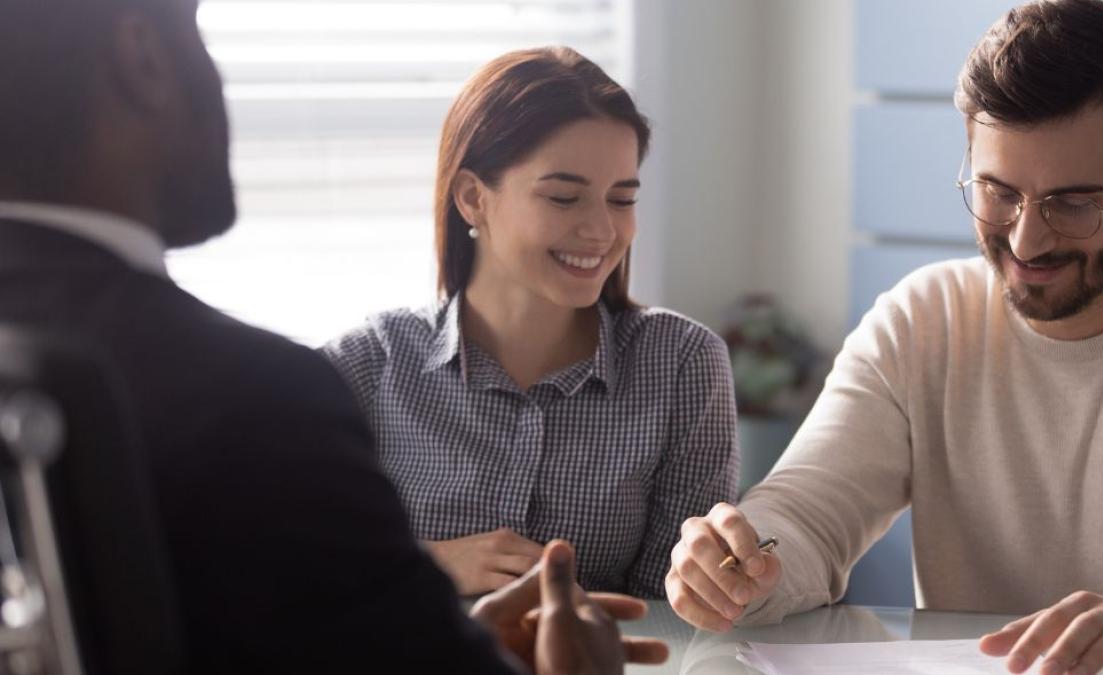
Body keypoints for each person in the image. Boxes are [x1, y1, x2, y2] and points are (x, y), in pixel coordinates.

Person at [0, 0, 667, 671]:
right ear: (142, 56)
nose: (601, 227)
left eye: (622, 195)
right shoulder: (260, 396)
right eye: (198, 34)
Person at [664, 1, 1103, 674]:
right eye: (997, 192)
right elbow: (806, 512)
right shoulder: (925, 320)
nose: (1027, 239)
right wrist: (740, 565)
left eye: (1072, 203)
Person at [323, 47, 739, 599]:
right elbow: (278, 557)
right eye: (564, 198)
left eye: (621, 199)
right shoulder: (366, 365)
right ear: (473, 198)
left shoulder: (683, 363)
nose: (600, 231)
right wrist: (427, 563)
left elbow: (675, 612)